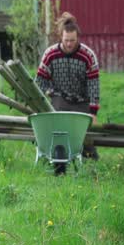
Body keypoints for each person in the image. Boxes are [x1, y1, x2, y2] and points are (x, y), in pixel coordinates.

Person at [35, 12, 102, 160]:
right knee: (58, 130)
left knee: (85, 136)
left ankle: (90, 159)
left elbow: (94, 86)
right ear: (61, 37)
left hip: (81, 101)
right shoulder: (50, 54)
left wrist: (93, 112)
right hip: (60, 98)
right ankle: (57, 158)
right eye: (66, 40)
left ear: (77, 37)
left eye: (72, 40)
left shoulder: (88, 56)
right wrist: (41, 97)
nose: (69, 44)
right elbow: (40, 80)